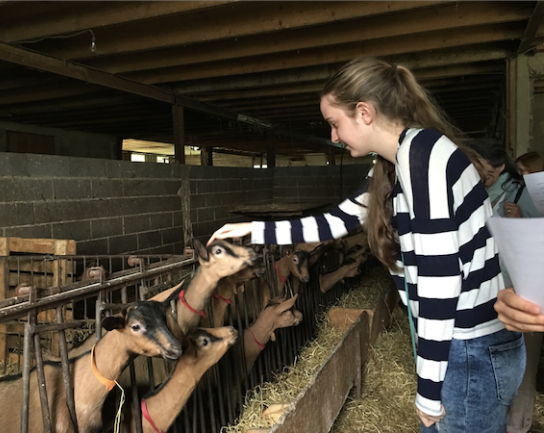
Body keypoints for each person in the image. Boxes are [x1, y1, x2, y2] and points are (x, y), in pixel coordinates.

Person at [209, 57, 525, 433]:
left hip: (468, 346)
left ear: (364, 112)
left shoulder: (423, 157)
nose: (333, 137)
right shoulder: (393, 164)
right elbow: (335, 221)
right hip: (459, 346)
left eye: (334, 123)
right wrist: (252, 230)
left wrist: (427, 387)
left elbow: (441, 278)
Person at [467, 143, 543, 433]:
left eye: (478, 165)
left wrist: (520, 221)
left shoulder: (525, 194)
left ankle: (518, 425)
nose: (473, 172)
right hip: (491, 291)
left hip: (525, 291)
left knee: (523, 364)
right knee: (498, 362)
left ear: (498, 168)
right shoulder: (479, 194)